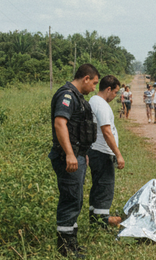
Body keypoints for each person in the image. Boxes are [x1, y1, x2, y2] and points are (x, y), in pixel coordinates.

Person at [48, 63, 100, 257]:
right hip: (66, 158)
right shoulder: (67, 96)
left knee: (76, 199)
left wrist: (80, 152)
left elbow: (77, 130)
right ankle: (65, 249)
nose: (94, 87)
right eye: (94, 83)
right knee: (70, 199)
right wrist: (70, 154)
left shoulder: (77, 97)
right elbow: (60, 124)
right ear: (86, 78)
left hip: (77, 156)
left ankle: (72, 243)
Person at [88, 75, 124, 231]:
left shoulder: (93, 101)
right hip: (102, 152)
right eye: (115, 92)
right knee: (105, 187)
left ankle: (95, 219)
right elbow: (106, 131)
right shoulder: (101, 105)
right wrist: (118, 154)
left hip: (95, 151)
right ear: (108, 89)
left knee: (97, 186)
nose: (114, 96)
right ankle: (101, 224)